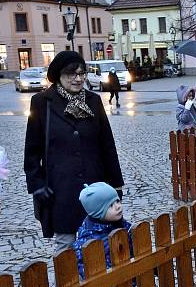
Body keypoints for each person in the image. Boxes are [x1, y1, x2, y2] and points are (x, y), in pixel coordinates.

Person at [24, 51, 124, 250]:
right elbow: (32, 150)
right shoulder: (42, 102)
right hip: (61, 188)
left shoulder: (93, 101)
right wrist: (37, 185)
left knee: (100, 243)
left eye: (82, 73)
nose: (78, 79)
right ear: (59, 75)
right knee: (66, 247)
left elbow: (107, 144)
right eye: (72, 74)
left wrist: (116, 184)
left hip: (96, 185)